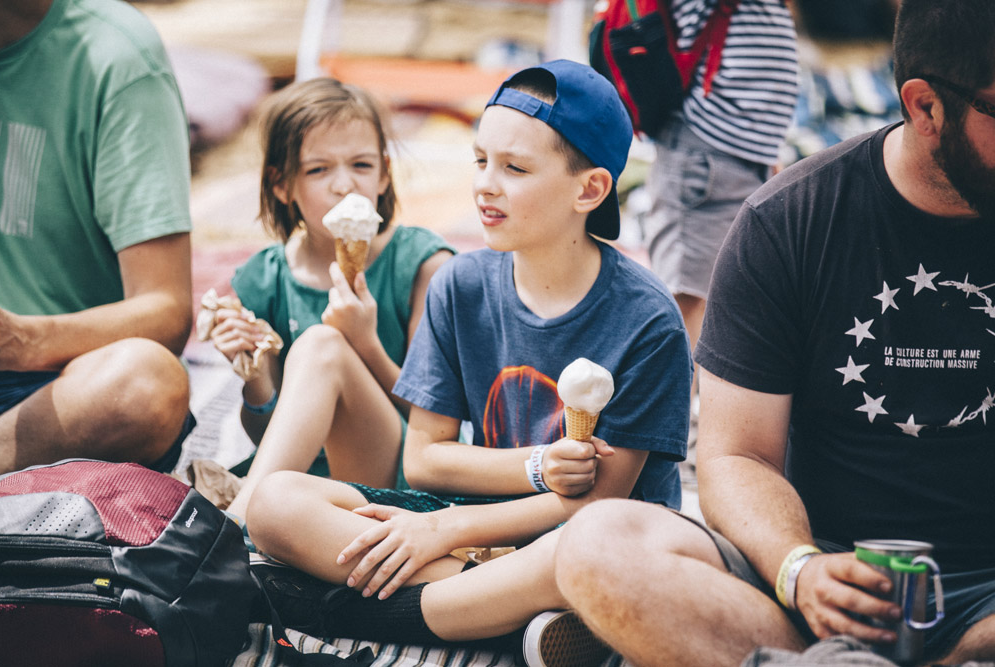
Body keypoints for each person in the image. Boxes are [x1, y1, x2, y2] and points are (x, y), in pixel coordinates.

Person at [542, 0, 995, 665]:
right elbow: (737, 457)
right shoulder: (793, 219)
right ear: (924, 106)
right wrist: (799, 569)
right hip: (822, 588)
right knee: (599, 546)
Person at [245, 59, 691, 653]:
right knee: (275, 504)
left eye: (515, 168)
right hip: (474, 533)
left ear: (589, 190)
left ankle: (372, 611)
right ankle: (507, 615)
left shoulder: (648, 321)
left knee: (585, 551)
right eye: (481, 160)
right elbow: (425, 459)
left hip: (584, 539)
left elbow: (600, 499)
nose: (485, 184)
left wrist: (444, 528)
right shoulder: (461, 285)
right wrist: (490, 495)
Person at [211, 78, 455, 520]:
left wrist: (364, 343)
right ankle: (253, 525)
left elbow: (436, 423)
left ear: (384, 174)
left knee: (322, 344)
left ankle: (233, 530)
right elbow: (269, 439)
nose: (345, 185)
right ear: (281, 184)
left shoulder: (423, 266)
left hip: (394, 477)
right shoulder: (262, 280)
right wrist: (255, 376)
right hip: (296, 486)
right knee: (318, 349)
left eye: (361, 165)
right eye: (318, 170)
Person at [0, 0, 194, 475]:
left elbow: (166, 310)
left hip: (52, 391)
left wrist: (22, 340)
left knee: (146, 383)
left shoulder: (115, 54)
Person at [638, 0, 799, 407]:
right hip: (705, 155)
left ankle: (692, 414)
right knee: (686, 298)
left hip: (741, 157)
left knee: (724, 295)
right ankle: (670, 420)